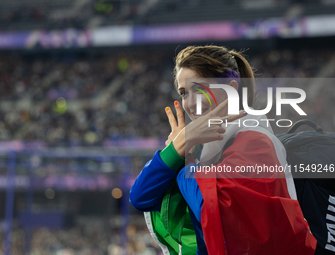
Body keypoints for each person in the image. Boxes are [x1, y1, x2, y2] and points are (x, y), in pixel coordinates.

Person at [130, 45, 316, 255]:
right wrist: (177, 148)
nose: (190, 104)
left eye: (199, 90)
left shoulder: (255, 141)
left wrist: (186, 157)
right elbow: (140, 197)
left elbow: (214, 209)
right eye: (184, 93)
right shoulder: (201, 147)